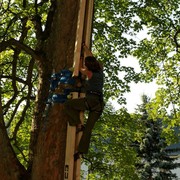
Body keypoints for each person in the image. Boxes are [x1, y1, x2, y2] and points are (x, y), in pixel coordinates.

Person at [64, 44, 104, 159]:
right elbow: (93, 59)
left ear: (88, 66)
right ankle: (80, 152)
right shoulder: (100, 71)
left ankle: (77, 123)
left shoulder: (89, 73)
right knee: (88, 129)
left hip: (90, 101)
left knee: (68, 104)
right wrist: (86, 50)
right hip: (99, 105)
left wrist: (79, 62)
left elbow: (79, 69)